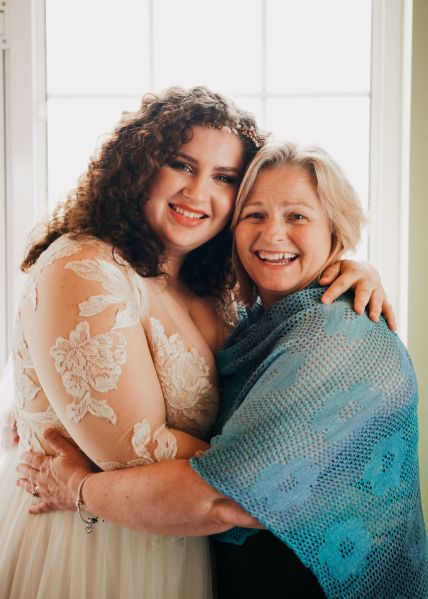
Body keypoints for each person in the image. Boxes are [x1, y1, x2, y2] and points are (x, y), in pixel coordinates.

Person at [6, 84, 394, 599]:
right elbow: (134, 451)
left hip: (185, 542)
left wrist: (349, 267)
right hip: (95, 545)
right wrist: (283, 470)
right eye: (182, 165)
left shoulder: (216, 289)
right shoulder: (83, 265)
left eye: (225, 177)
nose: (198, 192)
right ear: (140, 164)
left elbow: (266, 369)